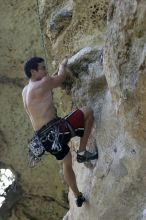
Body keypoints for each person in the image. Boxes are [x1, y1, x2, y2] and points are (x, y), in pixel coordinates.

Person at [22, 56, 98, 207]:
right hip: (55, 130)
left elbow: (49, 82)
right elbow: (61, 78)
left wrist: (50, 77)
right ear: (33, 71)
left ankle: (78, 196)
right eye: (43, 68)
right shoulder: (43, 83)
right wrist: (62, 64)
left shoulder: (26, 90)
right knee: (88, 112)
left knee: (66, 161)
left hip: (44, 139)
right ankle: (82, 153)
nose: (46, 70)